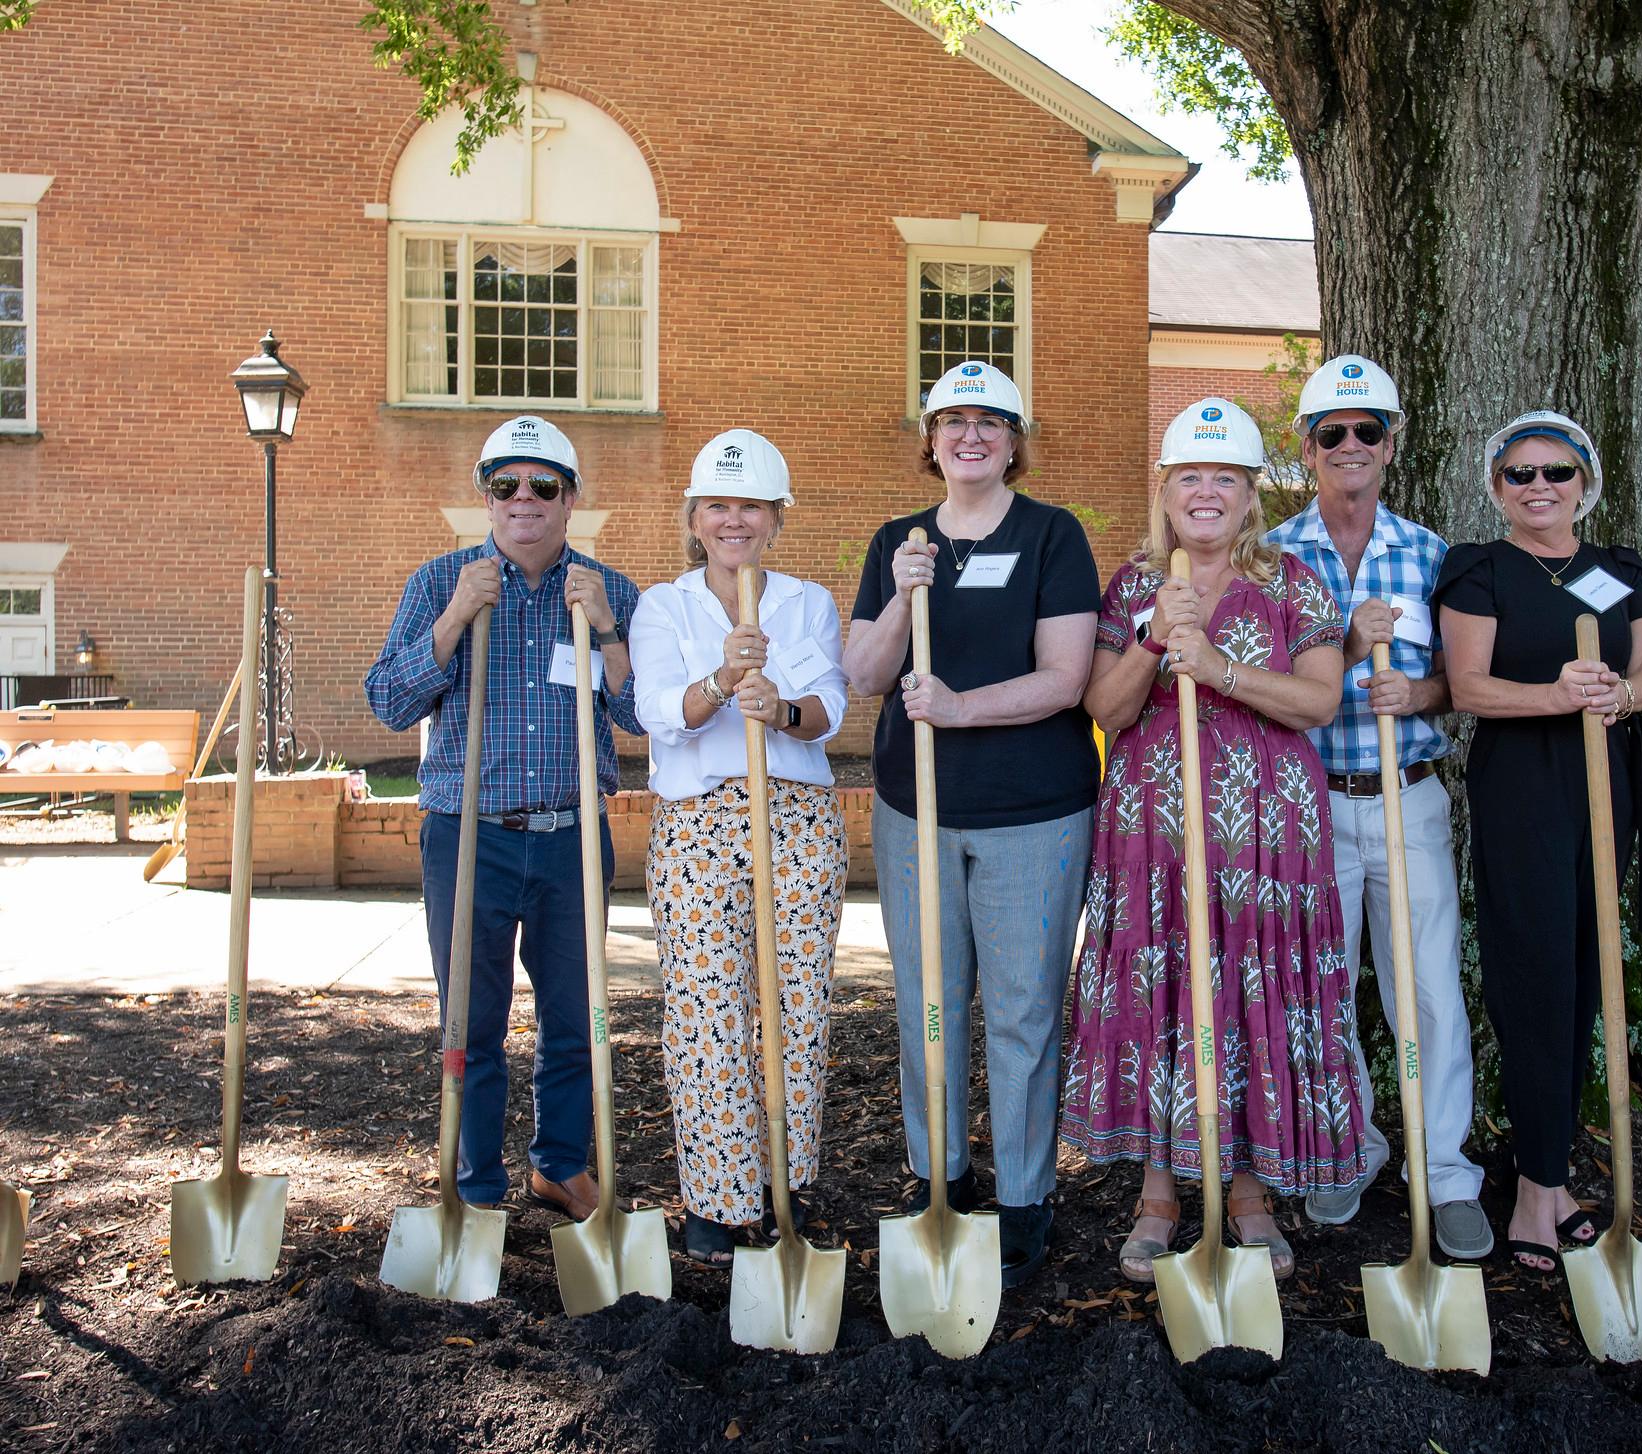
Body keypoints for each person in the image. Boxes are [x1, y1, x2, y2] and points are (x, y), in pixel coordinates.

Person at [1059, 397, 1364, 1283]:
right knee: (1168, 1004)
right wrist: (1157, 641)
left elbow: (1318, 701)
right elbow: (1104, 711)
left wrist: (1222, 670)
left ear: (1248, 495)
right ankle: (1158, 1195)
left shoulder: (1293, 580)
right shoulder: (1129, 587)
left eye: (1223, 478)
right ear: (1164, 491)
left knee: (1243, 998)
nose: (1205, 492)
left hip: (1267, 844)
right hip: (1152, 841)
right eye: (1189, 476)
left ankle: (1248, 1195)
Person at [843, 360, 1099, 1288]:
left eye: (991, 421)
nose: (972, 436)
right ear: (930, 439)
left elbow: (1065, 678)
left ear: (1014, 441)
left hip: (1034, 811)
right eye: (954, 420)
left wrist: (960, 709)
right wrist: (907, 593)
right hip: (916, 810)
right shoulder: (895, 542)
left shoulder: (1050, 535)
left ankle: (1025, 1193)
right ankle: (938, 1176)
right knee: (929, 1006)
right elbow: (865, 676)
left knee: (1025, 1009)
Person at [365, 414, 642, 1219]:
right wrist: (454, 617)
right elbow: (388, 702)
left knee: (574, 1014)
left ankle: (559, 1164)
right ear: (485, 498)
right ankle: (476, 1184)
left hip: (569, 835)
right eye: (505, 484)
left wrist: (609, 631)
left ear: (570, 499)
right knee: (470, 1018)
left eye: (542, 485)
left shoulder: (606, 589)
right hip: (468, 834)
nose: (524, 498)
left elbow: (637, 720)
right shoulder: (437, 581)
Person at [1265, 355, 1492, 1260]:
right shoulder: (1273, 555)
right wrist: (1342, 658)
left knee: (1427, 992)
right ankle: (1347, 1151)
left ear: (1390, 445)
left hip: (1408, 798)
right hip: (1309, 805)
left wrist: (1424, 693)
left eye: (1368, 431)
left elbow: (1460, 680)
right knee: (1321, 993)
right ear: (1307, 448)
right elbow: (1258, 684)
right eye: (1332, 433)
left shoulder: (1431, 554)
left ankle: (1444, 1174)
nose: (1350, 446)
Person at [1433, 409, 1642, 1275]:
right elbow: (1467, 688)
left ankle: (1555, 1173)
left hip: (1602, 789)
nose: (1539, 487)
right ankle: (1534, 1194)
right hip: (1522, 789)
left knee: (1582, 977)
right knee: (1533, 977)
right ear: (1497, 487)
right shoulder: (1480, 570)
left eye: (1556, 472)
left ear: (1583, 482)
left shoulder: (1619, 571)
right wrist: (1559, 695)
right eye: (1519, 474)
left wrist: (1618, 698)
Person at [628, 429, 850, 1266]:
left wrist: (781, 709)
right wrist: (722, 681)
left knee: (792, 1008)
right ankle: (718, 1200)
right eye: (717, 505)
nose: (733, 520)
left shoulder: (807, 602)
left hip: (796, 818)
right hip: (697, 824)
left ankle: (782, 1184)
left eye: (750, 505)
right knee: (705, 1009)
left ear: (775, 519)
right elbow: (656, 712)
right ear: (693, 518)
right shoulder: (663, 605)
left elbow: (830, 704)